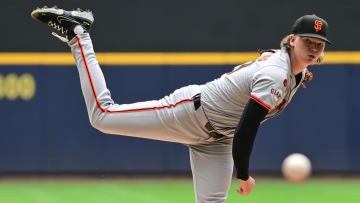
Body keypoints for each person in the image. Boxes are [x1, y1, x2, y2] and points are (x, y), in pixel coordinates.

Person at [31, 7, 330, 203]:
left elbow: (267, 60)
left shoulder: (293, 69)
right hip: (189, 113)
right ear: (292, 40)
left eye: (318, 45)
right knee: (102, 116)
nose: (313, 49)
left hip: (216, 141)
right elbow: (247, 128)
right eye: (308, 42)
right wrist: (243, 174)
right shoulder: (277, 74)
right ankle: (79, 34)